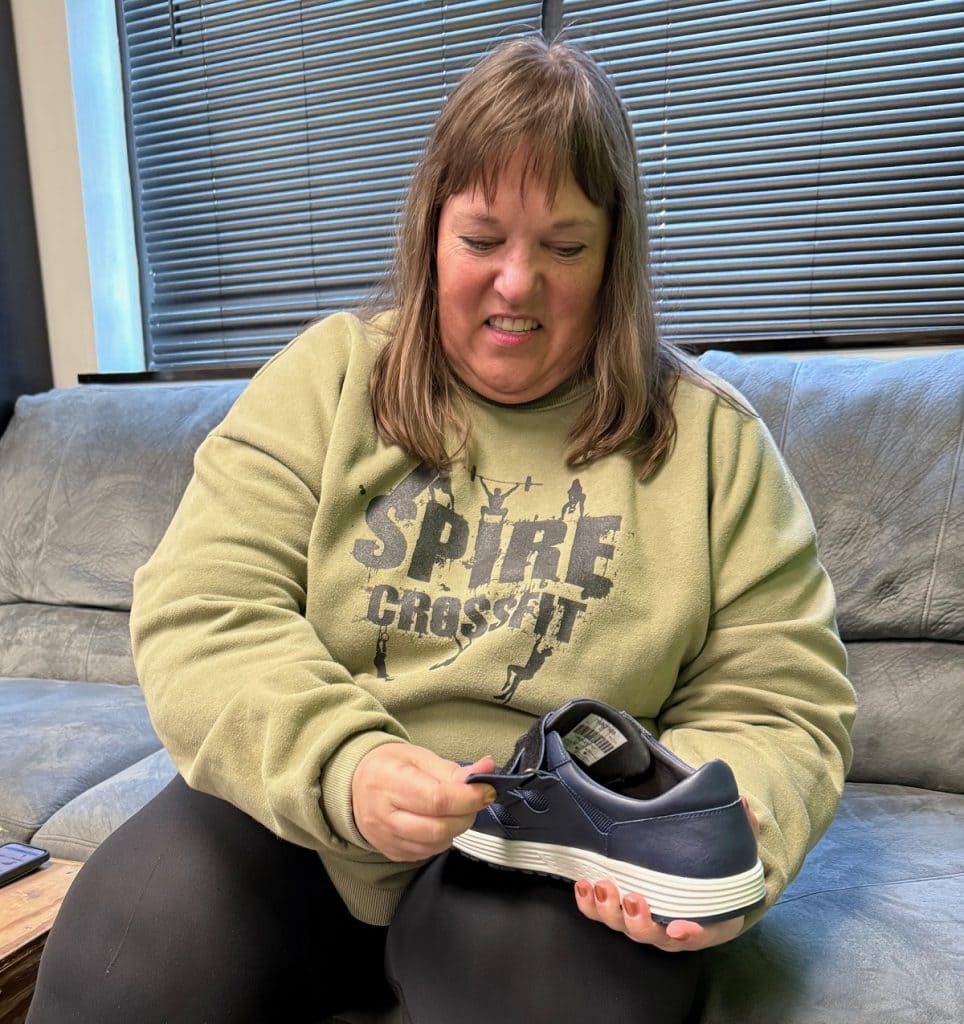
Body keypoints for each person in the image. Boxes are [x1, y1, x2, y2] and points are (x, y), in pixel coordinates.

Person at [27, 36, 855, 1024]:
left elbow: (778, 704)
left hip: (550, 860)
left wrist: (724, 841)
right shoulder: (328, 379)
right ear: (429, 232)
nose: (517, 283)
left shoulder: (713, 442)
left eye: (563, 245)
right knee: (121, 955)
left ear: (614, 252)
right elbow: (204, 605)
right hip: (297, 820)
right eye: (481, 239)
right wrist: (348, 765)